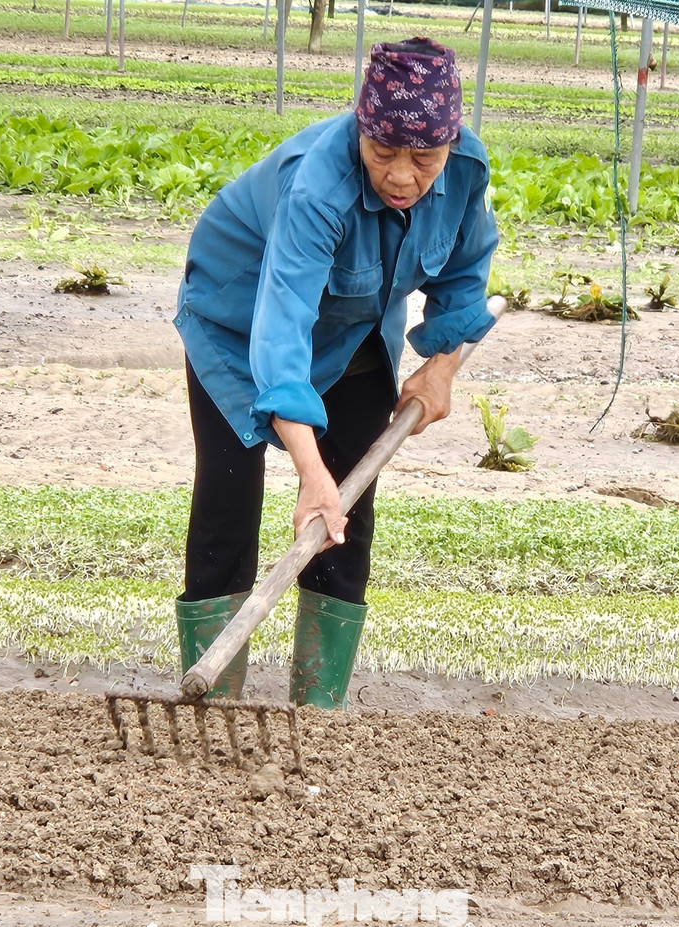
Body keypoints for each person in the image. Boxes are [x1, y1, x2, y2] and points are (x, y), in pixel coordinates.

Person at [173, 36, 498, 709]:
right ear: (361, 127)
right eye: (384, 154)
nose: (404, 176)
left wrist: (439, 368)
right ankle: (213, 701)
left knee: (348, 510)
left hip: (355, 328)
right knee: (229, 498)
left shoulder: (465, 168)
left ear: (450, 142)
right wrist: (309, 472)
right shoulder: (316, 185)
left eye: (424, 159)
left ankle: (317, 705)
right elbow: (280, 329)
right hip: (238, 323)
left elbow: (464, 279)